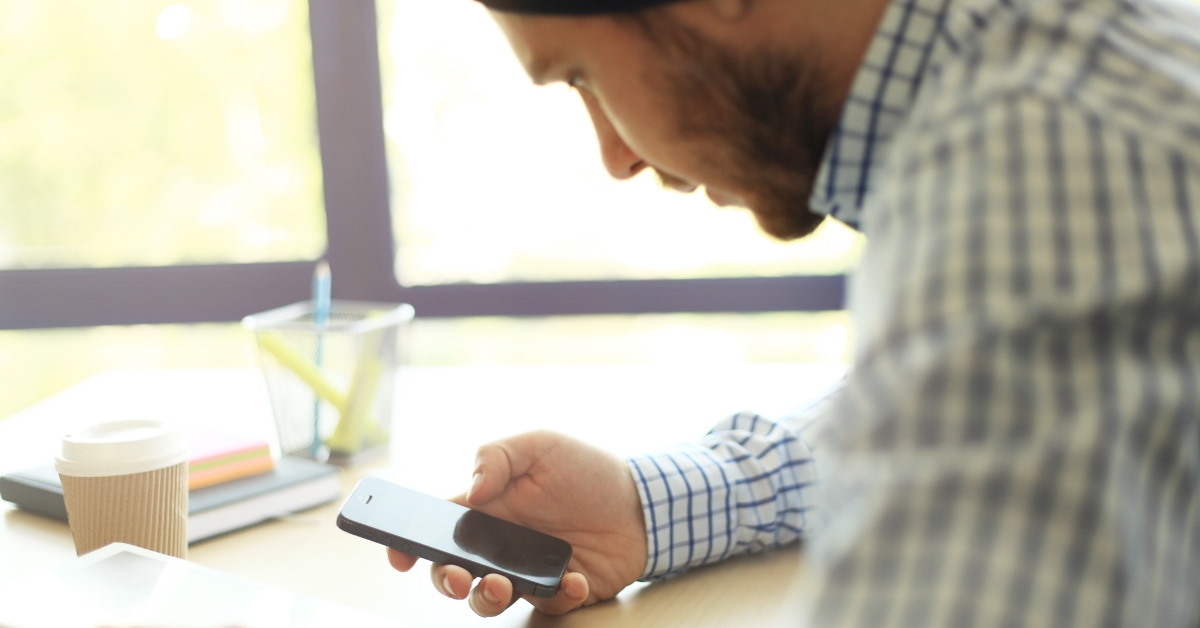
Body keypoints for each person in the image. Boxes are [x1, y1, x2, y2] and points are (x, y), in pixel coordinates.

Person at [386, 0, 1200, 624]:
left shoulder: (1022, 174)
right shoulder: (1044, 60)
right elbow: (981, 393)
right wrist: (647, 504)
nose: (615, 155)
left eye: (581, 75)